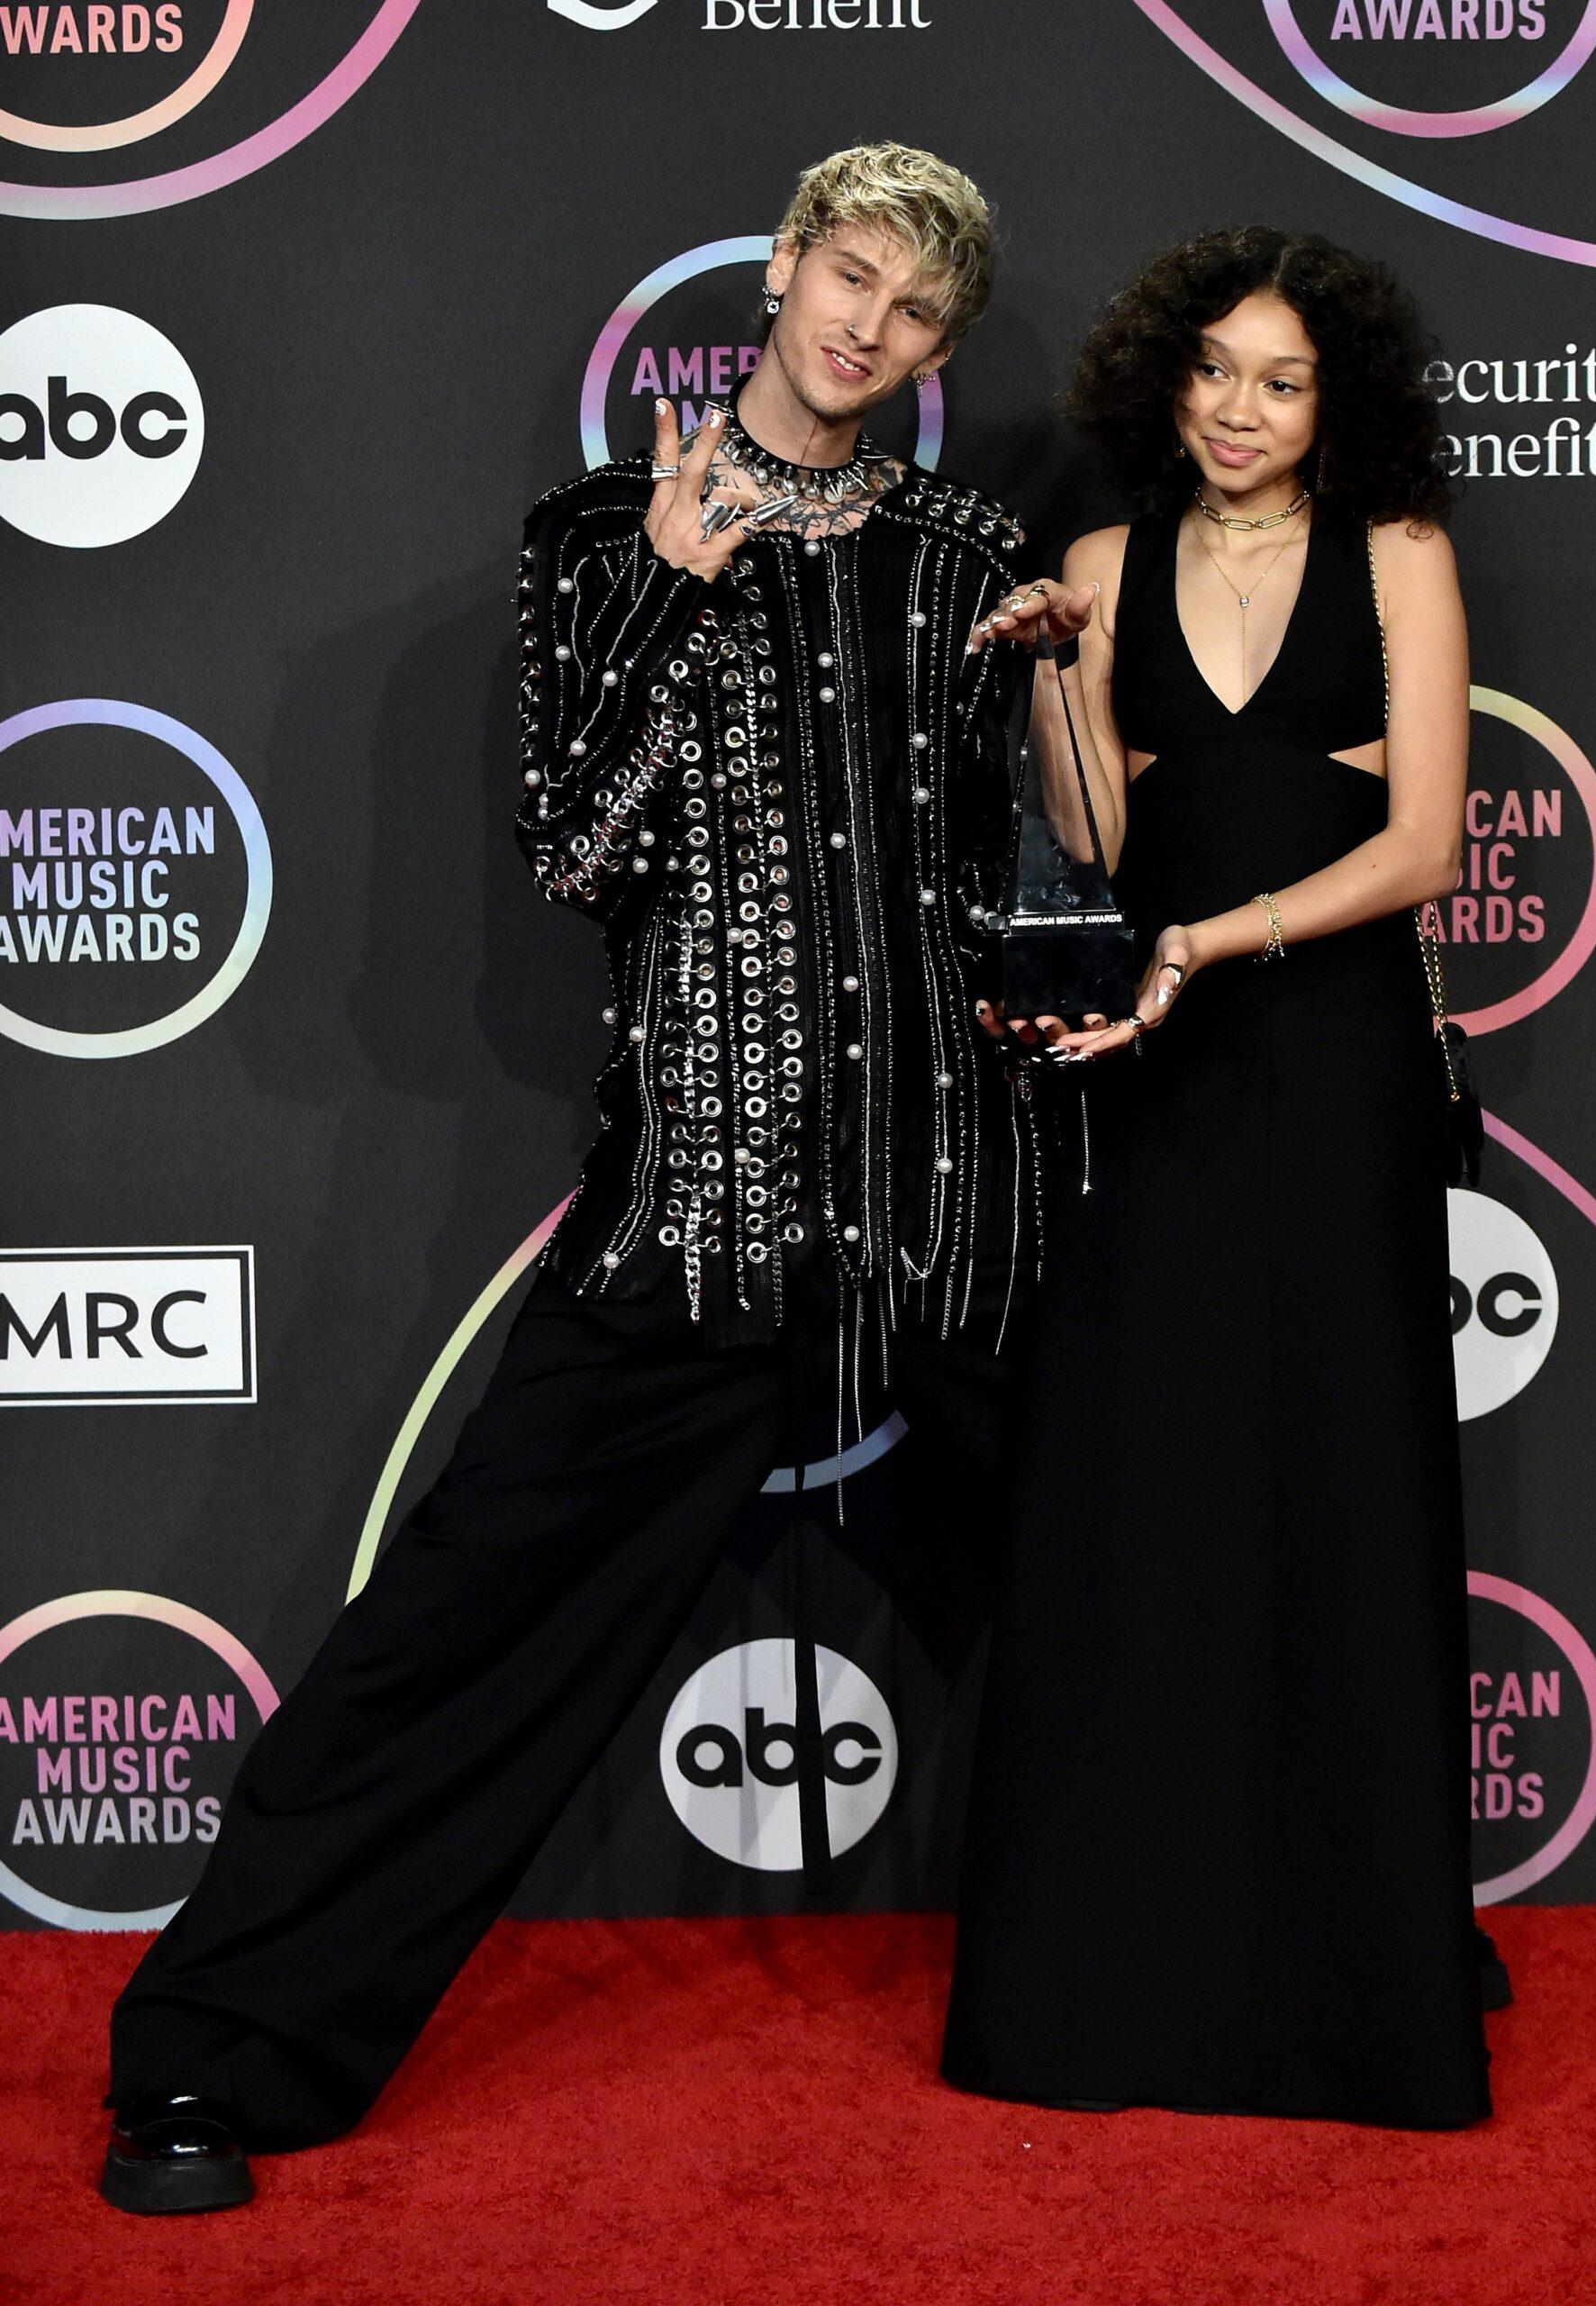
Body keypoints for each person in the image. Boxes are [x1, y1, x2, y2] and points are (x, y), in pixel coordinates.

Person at [99, 141, 1081, 2215]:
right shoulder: (595, 540)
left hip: (943, 1190)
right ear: (791, 265)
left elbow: (1023, 871)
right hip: (709, 1197)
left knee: (1123, 1585)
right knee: (469, 1615)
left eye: (916, 312)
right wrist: (681, 566)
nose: (868, 328)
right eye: (849, 275)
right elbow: (580, 847)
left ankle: (1265, 1969)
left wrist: (1060, 683)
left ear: (936, 348)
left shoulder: (974, 549)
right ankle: (213, 2052)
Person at [940, 226, 1499, 2128]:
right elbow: (1105, 836)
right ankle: (1123, 1953)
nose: (1241, 411)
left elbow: (1423, 843)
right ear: (1159, 384)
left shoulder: (1403, 559)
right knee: (1146, 1499)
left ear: (1333, 397)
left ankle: (1359, 1961)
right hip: (1157, 1091)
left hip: (1337, 1082)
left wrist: (1217, 937)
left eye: (1281, 380)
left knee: (1341, 1483)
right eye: (1213, 374)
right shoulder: (1104, 564)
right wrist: (1047, 683)